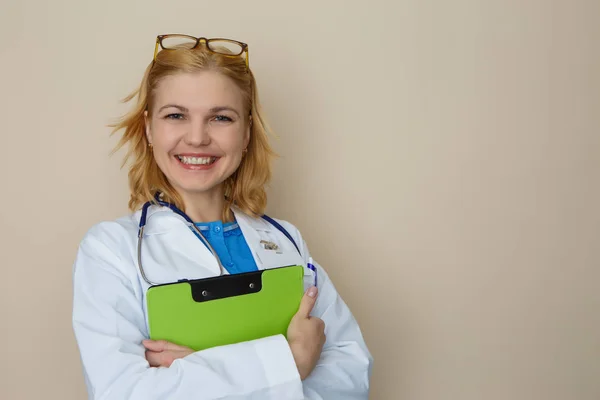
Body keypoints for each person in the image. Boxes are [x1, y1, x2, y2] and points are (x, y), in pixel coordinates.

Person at [71, 34, 373, 399]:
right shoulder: (110, 250)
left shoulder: (285, 241)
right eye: (176, 115)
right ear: (149, 127)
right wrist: (289, 363)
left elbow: (352, 373)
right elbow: (124, 393)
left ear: (246, 132)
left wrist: (200, 370)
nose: (197, 138)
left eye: (221, 117)